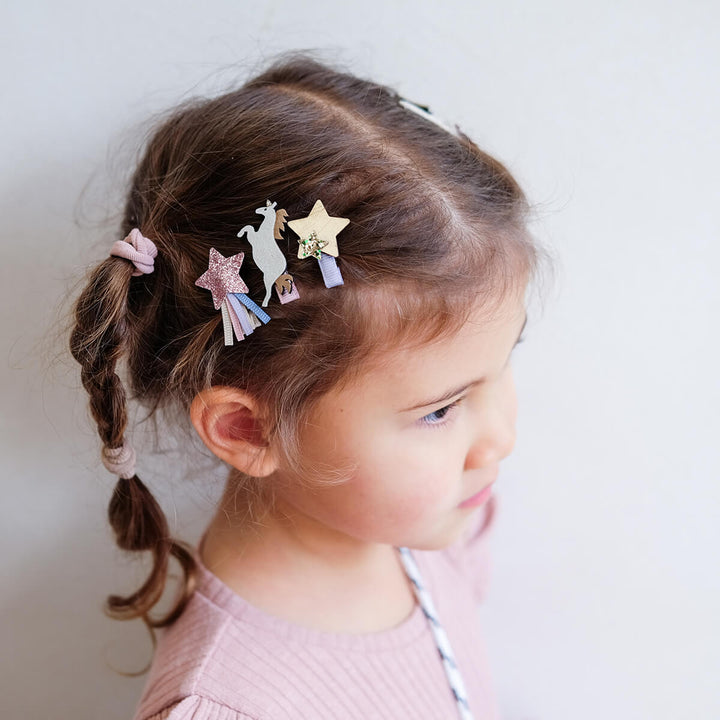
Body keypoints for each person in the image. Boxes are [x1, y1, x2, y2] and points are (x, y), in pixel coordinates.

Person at [70, 52, 547, 720]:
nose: (501, 438)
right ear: (248, 429)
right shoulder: (228, 704)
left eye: (505, 361)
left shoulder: (431, 527)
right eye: (441, 411)